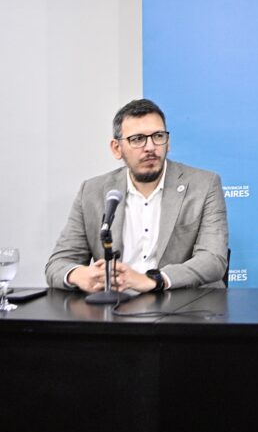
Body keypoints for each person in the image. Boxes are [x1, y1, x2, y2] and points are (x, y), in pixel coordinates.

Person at [46, 98, 229, 293]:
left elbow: (213, 260)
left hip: (183, 302)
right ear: (117, 148)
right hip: (117, 304)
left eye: (158, 136)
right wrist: (79, 274)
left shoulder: (204, 185)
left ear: (168, 143)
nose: (150, 147)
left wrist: (153, 280)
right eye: (138, 139)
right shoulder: (92, 191)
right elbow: (58, 264)